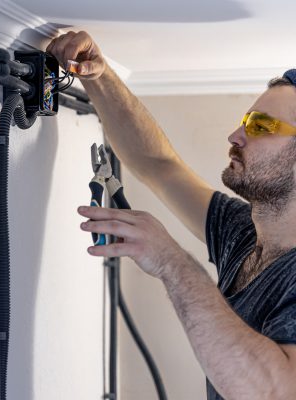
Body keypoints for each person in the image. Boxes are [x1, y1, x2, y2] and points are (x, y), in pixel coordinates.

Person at [46, 32, 296, 400]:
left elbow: (272, 391)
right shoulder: (241, 233)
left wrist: (172, 261)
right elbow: (159, 166)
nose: (235, 135)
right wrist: (98, 75)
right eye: (245, 121)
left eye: (260, 126)